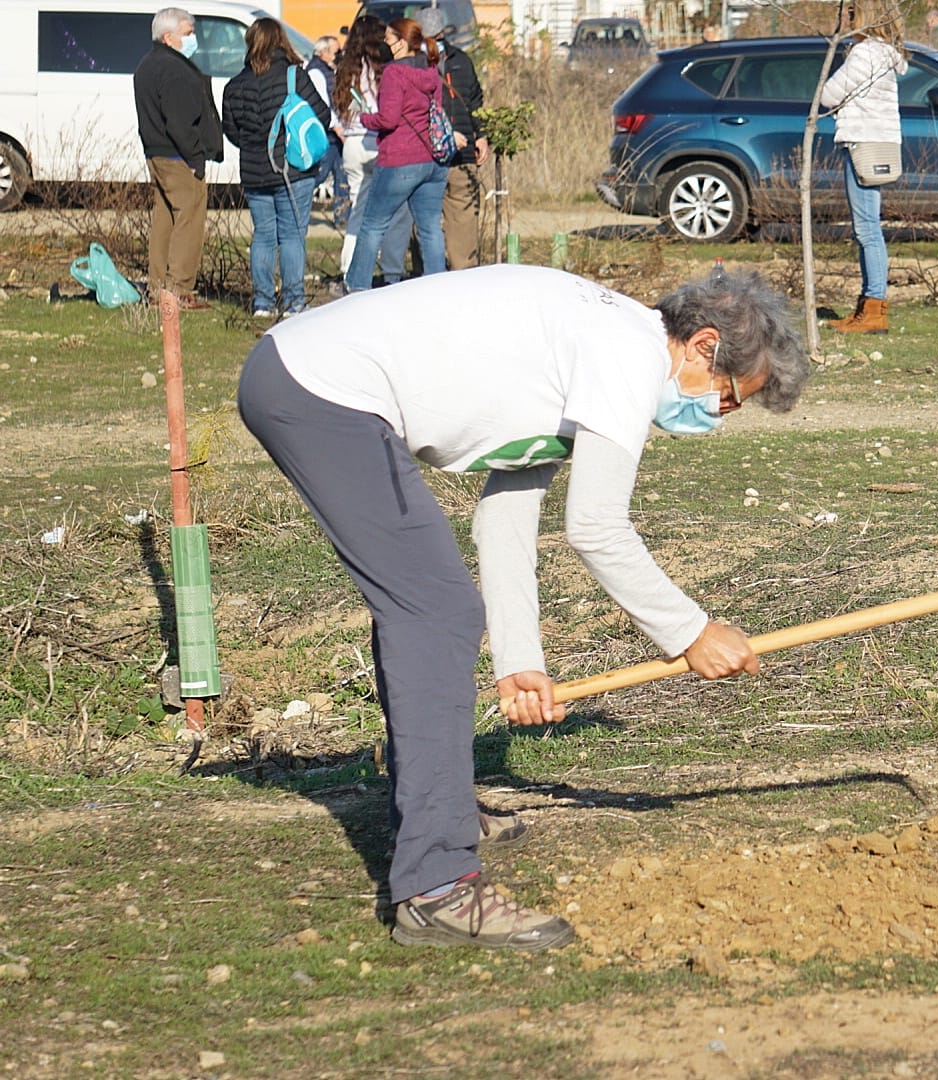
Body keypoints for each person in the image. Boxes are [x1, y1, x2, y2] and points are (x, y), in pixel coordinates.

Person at [235, 265, 810, 949]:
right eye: (727, 396)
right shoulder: (625, 353)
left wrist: (519, 663)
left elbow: (507, 511)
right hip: (320, 389)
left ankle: (436, 807)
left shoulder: (596, 345)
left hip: (307, 377)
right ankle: (436, 886)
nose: (720, 415)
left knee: (430, 605)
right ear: (700, 345)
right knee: (433, 609)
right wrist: (691, 631)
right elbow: (595, 527)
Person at [222, 18, 334, 317]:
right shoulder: (294, 76)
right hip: (292, 170)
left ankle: (262, 302)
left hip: (255, 173)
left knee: (263, 237)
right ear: (281, 41)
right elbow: (321, 116)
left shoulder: (234, 85)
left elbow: (232, 132)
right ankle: (293, 302)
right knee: (292, 236)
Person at [819, 0, 906, 335]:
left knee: (867, 229)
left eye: (848, 12)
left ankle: (874, 309)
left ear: (862, 17)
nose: (843, 16)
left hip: (862, 143)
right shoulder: (885, 53)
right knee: (869, 227)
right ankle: (869, 308)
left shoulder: (865, 53)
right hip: (877, 142)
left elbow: (829, 95)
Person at [343, 17, 447, 292]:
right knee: (430, 229)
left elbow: (388, 120)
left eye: (389, 38)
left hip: (400, 159)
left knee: (372, 226)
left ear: (401, 43)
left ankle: (357, 288)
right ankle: (437, 287)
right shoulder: (431, 70)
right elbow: (435, 111)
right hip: (432, 160)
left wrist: (365, 119)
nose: (385, 43)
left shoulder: (394, 73)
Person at [133, 6, 224, 310]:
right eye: (188, 33)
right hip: (178, 155)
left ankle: (159, 287)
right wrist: (196, 158)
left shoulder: (147, 64)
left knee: (165, 218)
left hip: (156, 153)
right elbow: (181, 123)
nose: (193, 38)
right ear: (169, 36)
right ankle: (180, 289)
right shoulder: (175, 69)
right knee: (189, 218)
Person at [331, 15, 410, 293]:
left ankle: (350, 271)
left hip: (352, 144)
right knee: (396, 210)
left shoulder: (345, 68)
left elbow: (337, 109)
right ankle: (391, 272)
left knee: (359, 210)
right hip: (379, 140)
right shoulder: (385, 68)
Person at [415, 6, 487, 269]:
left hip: (426, 153)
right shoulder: (462, 60)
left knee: (424, 218)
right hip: (461, 150)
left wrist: (481, 136)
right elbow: (476, 100)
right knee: (463, 216)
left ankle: (429, 277)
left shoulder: (411, 64)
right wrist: (481, 135)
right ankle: (464, 277)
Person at [306, 35, 350, 229]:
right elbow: (322, 105)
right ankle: (298, 211)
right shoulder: (316, 72)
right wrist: (338, 128)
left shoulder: (333, 71)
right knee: (318, 175)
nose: (339, 55)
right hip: (325, 135)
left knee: (342, 176)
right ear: (323, 53)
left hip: (336, 134)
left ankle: (343, 218)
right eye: (336, 52)